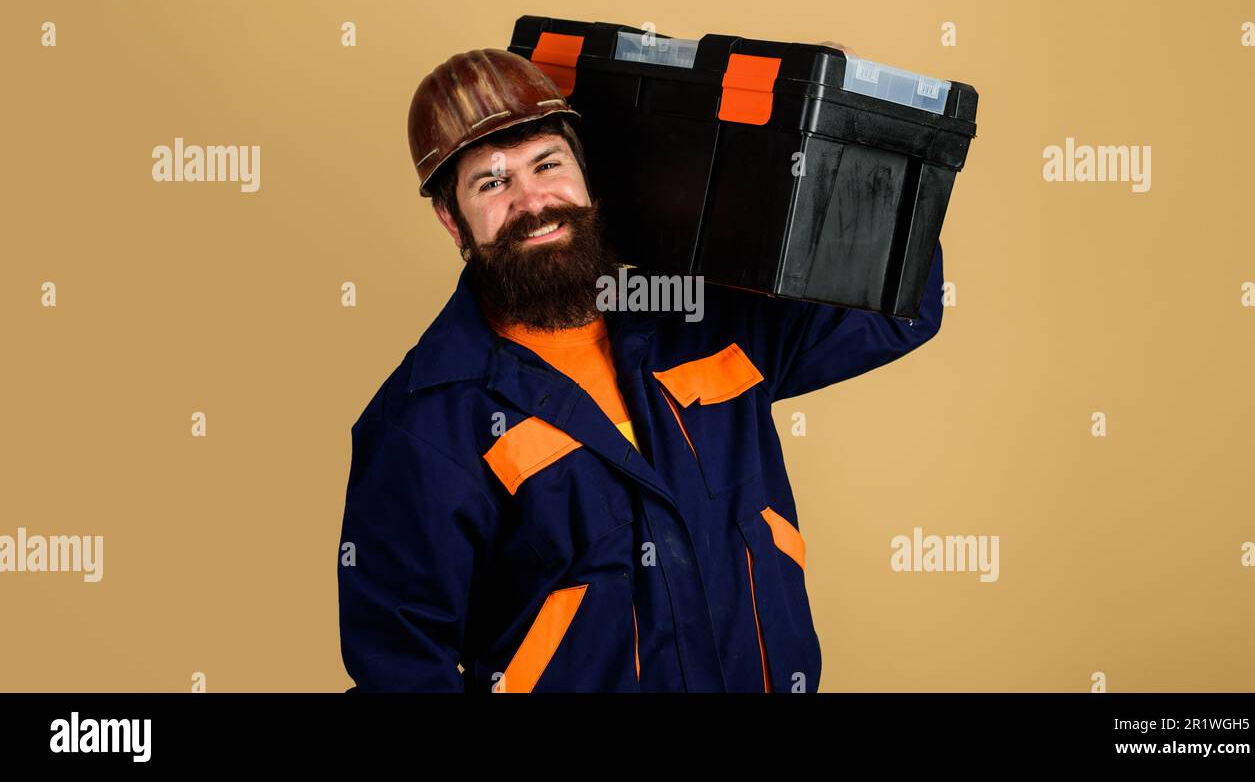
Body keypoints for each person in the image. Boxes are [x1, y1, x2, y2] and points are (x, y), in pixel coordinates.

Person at [337, 46, 945, 692]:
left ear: (585, 175)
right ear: (452, 221)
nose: (533, 200)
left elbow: (899, 312)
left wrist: (850, 156)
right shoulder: (424, 421)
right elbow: (400, 666)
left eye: (548, 164)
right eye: (492, 182)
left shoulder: (698, 319)